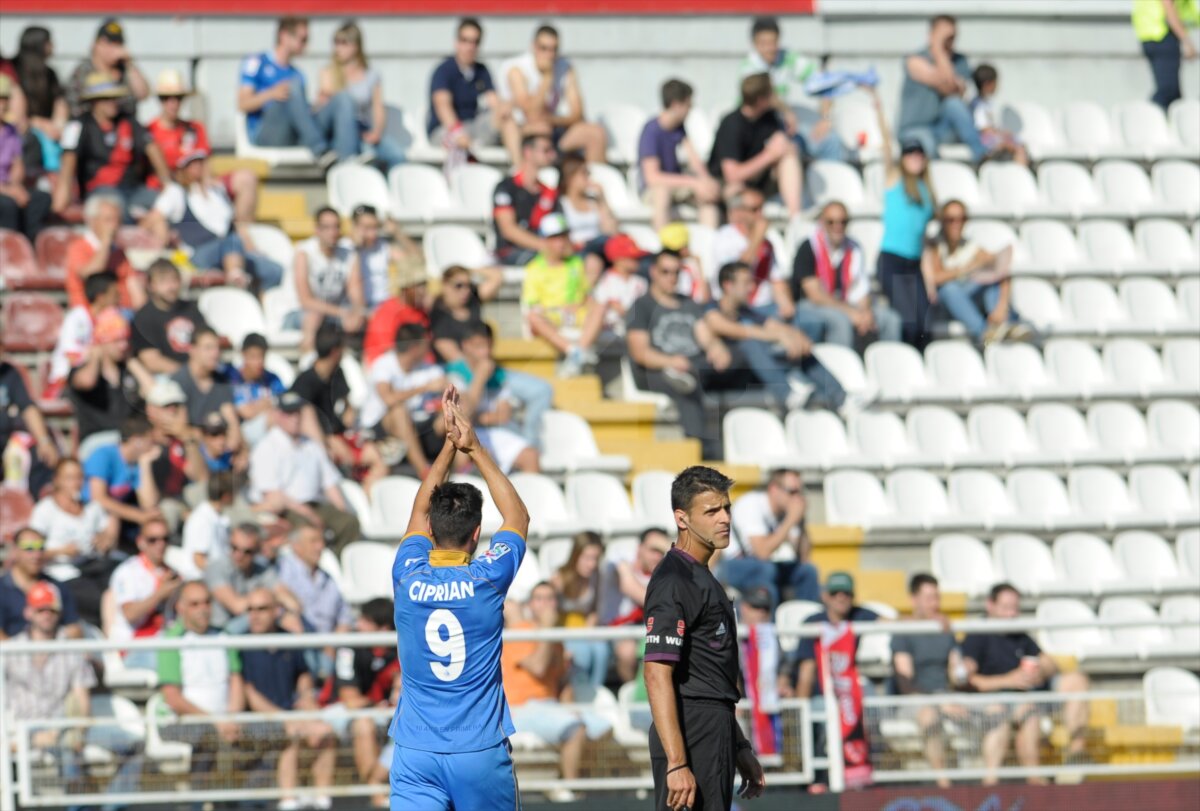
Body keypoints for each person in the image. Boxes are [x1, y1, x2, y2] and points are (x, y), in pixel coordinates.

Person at [387, 385, 531, 811]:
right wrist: (474, 447)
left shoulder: (407, 574)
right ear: (477, 534)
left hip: (415, 752)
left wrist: (448, 449)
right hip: (479, 750)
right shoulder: (488, 579)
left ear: (430, 531)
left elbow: (418, 512)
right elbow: (518, 517)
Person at [643, 466, 765, 811]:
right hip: (691, 730)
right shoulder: (674, 581)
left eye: (726, 508)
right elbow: (656, 673)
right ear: (682, 518)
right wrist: (677, 762)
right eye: (711, 511)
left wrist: (738, 745)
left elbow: (710, 678)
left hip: (713, 726)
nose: (724, 518)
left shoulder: (702, 576)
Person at [3, 580, 144, 806]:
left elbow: (81, 699)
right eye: (40, 609)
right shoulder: (10, 651)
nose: (46, 615)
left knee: (134, 744)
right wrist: (23, 737)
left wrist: (76, 730)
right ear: (28, 612)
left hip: (65, 725)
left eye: (51, 609)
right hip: (23, 728)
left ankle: (112, 806)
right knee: (68, 752)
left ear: (59, 612)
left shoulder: (72, 648)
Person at [962, 582, 1091, 785]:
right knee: (1026, 711)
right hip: (998, 699)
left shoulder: (1018, 634)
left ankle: (1076, 757)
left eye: (1015, 608)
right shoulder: (977, 636)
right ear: (990, 605)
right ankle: (1025, 780)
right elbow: (968, 681)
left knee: (1077, 681)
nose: (1012, 614)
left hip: (1030, 692)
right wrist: (1008, 680)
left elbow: (1049, 663)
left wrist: (1041, 671)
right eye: (1006, 608)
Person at [626, 250, 750, 460]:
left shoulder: (688, 304)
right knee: (686, 385)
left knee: (739, 355)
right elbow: (640, 353)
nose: (672, 277)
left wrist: (716, 348)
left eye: (677, 272)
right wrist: (670, 361)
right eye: (666, 271)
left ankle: (744, 441)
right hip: (656, 370)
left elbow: (705, 336)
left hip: (692, 365)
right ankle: (701, 450)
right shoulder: (642, 306)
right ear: (653, 272)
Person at [501, 581, 613, 804]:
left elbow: (561, 683)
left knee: (603, 728)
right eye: (539, 598)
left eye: (550, 598)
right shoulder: (520, 631)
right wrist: (546, 629)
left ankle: (562, 781)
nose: (545, 604)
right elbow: (539, 667)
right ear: (530, 605)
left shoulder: (555, 637)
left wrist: (571, 709)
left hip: (549, 706)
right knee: (575, 729)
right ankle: (573, 794)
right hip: (521, 708)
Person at [430, 265, 550, 449]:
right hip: (465, 377)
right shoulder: (439, 317)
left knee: (542, 390)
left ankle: (531, 442)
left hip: (490, 373)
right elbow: (456, 359)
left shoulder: (472, 300)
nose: (465, 290)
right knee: (468, 414)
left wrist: (471, 271)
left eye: (468, 285)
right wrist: (481, 373)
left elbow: (497, 276)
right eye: (458, 285)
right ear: (445, 286)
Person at [704, 260, 848, 412]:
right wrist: (780, 337)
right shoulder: (712, 308)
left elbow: (773, 325)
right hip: (721, 373)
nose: (751, 287)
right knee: (750, 343)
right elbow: (735, 330)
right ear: (728, 285)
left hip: (752, 370)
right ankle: (787, 395)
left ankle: (842, 399)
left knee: (799, 349)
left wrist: (796, 336)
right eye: (746, 282)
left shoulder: (745, 311)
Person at [240, 587, 337, 811]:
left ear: (276, 611)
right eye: (250, 609)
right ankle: (289, 801)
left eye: (262, 609)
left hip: (289, 713)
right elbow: (250, 694)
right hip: (255, 719)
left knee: (325, 732)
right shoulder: (242, 644)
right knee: (290, 733)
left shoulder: (288, 639)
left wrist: (306, 698)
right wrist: (285, 718)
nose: (255, 615)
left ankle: (322, 801)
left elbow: (302, 675)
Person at [144, 149, 283, 289]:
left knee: (274, 271)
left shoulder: (217, 191)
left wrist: (251, 248)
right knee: (231, 242)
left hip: (229, 250)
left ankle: (249, 288)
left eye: (200, 162)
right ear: (183, 169)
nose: (198, 167)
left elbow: (233, 227)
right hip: (196, 254)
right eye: (192, 164)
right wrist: (164, 234)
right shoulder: (176, 192)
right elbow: (155, 217)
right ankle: (235, 278)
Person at [157, 581, 248, 783]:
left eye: (207, 602)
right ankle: (199, 797)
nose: (203, 609)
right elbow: (173, 698)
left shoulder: (224, 636)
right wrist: (216, 721)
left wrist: (231, 717)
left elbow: (236, 681)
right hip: (184, 722)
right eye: (194, 604)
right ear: (180, 608)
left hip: (224, 720)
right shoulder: (172, 641)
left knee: (269, 733)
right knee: (208, 736)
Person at [146, 68, 260, 230]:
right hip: (169, 189)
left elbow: (205, 162)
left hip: (200, 185)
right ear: (160, 100)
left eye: (178, 98)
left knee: (247, 178)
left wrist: (206, 182)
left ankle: (241, 234)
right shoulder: (149, 132)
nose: (173, 103)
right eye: (167, 98)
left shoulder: (195, 128)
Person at [248, 392, 361, 555]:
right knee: (307, 532)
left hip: (315, 504)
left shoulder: (311, 445)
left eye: (297, 412)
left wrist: (342, 510)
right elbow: (274, 495)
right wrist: (309, 514)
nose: (294, 418)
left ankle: (344, 562)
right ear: (277, 415)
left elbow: (330, 484)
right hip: (288, 510)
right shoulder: (266, 448)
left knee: (348, 523)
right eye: (289, 413)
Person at [54, 72, 171, 220]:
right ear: (94, 101)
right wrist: (61, 199)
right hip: (99, 191)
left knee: (168, 202)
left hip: (133, 189)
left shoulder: (128, 122)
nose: (113, 102)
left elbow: (152, 147)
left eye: (115, 98)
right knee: (116, 207)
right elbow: (68, 160)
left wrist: (168, 185)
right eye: (106, 99)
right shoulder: (78, 125)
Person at [791, 201, 902, 349]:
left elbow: (861, 291)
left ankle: (886, 361)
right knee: (840, 322)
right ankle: (841, 363)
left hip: (846, 304)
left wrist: (865, 313)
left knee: (891, 319)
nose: (838, 227)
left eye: (843, 222)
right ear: (822, 223)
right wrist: (851, 312)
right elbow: (815, 295)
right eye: (831, 222)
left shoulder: (854, 248)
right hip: (811, 305)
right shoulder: (808, 247)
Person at [890, 573, 965, 789]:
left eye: (937, 597)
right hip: (915, 701)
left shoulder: (945, 630)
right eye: (929, 598)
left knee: (993, 712)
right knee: (929, 716)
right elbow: (906, 685)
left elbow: (957, 675)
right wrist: (940, 704)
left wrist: (963, 671)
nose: (935, 603)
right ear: (914, 600)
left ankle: (989, 783)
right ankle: (944, 784)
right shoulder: (903, 632)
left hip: (945, 696)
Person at [874, 89, 936, 349]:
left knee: (925, 326)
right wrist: (878, 109)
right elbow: (887, 147)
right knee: (910, 323)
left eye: (918, 154)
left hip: (913, 264)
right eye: (910, 154)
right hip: (893, 260)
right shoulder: (896, 180)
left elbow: (924, 241)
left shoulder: (927, 191)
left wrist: (929, 281)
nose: (915, 158)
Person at [740, 16, 847, 163]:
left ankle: (833, 176)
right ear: (754, 44)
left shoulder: (787, 58)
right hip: (760, 125)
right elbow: (766, 97)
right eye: (764, 43)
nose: (769, 48)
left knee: (830, 141)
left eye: (773, 42)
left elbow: (822, 81)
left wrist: (825, 118)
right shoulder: (749, 67)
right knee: (792, 147)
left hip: (787, 124)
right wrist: (787, 112)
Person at [924, 199, 1031, 346]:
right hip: (941, 306)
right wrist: (967, 268)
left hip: (969, 300)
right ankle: (985, 332)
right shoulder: (934, 246)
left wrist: (1001, 306)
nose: (956, 224)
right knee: (950, 289)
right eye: (950, 220)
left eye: (962, 219)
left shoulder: (971, 246)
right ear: (943, 221)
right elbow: (935, 278)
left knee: (991, 283)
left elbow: (1001, 271)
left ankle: (1005, 323)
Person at [237, 16, 339, 167]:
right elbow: (243, 104)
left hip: (290, 134)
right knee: (292, 87)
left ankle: (344, 157)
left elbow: (300, 114)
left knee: (340, 100)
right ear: (284, 36)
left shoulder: (297, 73)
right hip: (263, 133)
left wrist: (318, 106)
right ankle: (321, 150)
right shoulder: (256, 62)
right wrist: (272, 94)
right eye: (302, 39)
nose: (306, 45)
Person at [500, 24, 608, 164]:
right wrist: (547, 78)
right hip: (525, 132)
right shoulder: (517, 69)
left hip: (554, 129)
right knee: (528, 127)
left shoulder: (565, 68)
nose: (549, 55)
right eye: (544, 48)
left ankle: (595, 176)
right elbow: (531, 114)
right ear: (534, 47)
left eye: (554, 49)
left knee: (596, 133)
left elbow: (577, 113)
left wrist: (553, 120)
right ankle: (522, 175)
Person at [446, 322, 541, 474]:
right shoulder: (454, 373)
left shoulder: (498, 374)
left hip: (493, 432)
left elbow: (503, 416)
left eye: (489, 346)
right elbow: (463, 414)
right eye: (479, 346)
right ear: (466, 345)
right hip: (465, 433)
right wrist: (480, 377)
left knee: (531, 456)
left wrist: (477, 417)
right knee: (479, 454)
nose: (486, 352)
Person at [30, 458, 118, 622]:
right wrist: (62, 551)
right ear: (57, 480)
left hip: (93, 565)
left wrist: (104, 539)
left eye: (79, 477)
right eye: (69, 478)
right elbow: (31, 550)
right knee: (100, 600)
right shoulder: (44, 510)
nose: (76, 483)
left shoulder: (92, 507)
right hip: (62, 573)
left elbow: (107, 532)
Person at [327, 598, 399, 792]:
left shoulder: (398, 648)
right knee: (364, 724)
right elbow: (350, 700)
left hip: (384, 711)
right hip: (339, 709)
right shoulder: (349, 646)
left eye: (365, 621)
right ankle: (375, 792)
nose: (358, 625)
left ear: (383, 629)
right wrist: (377, 704)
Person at [721, 468, 819, 609]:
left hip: (765, 566)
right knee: (767, 570)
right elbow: (762, 552)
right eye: (792, 492)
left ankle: (807, 618)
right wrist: (791, 519)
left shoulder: (786, 512)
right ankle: (770, 622)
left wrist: (801, 521)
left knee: (807, 571)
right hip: (733, 566)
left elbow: (803, 557)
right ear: (774, 489)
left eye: (800, 492)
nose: (796, 498)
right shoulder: (751, 504)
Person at [709, 72, 802, 220]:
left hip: (758, 180)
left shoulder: (769, 117)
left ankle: (795, 218)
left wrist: (787, 113)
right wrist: (769, 155)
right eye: (771, 92)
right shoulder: (731, 124)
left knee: (789, 157)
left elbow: (784, 146)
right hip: (728, 185)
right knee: (737, 190)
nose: (775, 96)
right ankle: (740, 228)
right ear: (761, 100)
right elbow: (732, 175)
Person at [522, 212, 605, 376]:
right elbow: (532, 304)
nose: (561, 242)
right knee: (533, 317)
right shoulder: (534, 268)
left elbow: (586, 295)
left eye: (563, 237)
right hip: (552, 316)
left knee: (600, 307)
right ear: (545, 240)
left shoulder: (576, 263)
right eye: (555, 238)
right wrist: (558, 309)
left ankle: (578, 352)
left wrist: (581, 305)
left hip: (576, 314)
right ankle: (575, 351)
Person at [360, 322, 447, 477]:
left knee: (451, 414)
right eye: (426, 343)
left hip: (417, 425)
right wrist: (425, 388)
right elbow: (388, 399)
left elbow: (452, 390)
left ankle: (461, 469)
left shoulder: (429, 368)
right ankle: (425, 472)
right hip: (380, 428)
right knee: (399, 410)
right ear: (414, 348)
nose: (430, 347)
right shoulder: (384, 364)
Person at [316, 21, 405, 170]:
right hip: (337, 133)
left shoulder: (371, 75)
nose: (338, 48)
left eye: (343, 43)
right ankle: (350, 166)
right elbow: (323, 106)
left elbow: (378, 108)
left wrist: (376, 132)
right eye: (336, 43)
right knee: (345, 101)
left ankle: (395, 183)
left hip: (362, 130)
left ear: (356, 46)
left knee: (396, 154)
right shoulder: (328, 72)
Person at [897, 14, 986, 163]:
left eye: (951, 37)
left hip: (943, 129)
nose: (949, 41)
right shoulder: (914, 59)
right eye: (944, 36)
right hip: (915, 129)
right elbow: (944, 82)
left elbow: (953, 90)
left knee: (954, 104)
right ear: (931, 35)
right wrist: (938, 47)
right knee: (928, 143)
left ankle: (982, 157)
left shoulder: (960, 61)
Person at [780, 571, 879, 699]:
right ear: (825, 596)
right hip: (818, 695)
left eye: (846, 593)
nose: (841, 598)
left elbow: (890, 622)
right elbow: (807, 670)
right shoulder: (813, 623)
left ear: (853, 596)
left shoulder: (859, 614)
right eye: (834, 593)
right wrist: (803, 706)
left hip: (847, 692)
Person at [639, 78, 721, 230]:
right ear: (676, 105)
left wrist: (706, 182)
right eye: (688, 105)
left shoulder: (679, 128)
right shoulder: (651, 131)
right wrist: (693, 182)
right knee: (662, 193)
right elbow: (652, 177)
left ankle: (709, 240)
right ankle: (664, 242)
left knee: (707, 197)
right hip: (654, 190)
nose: (691, 109)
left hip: (677, 186)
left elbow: (694, 160)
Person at [67, 308, 152, 446]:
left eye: (126, 340)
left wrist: (131, 360)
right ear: (103, 341)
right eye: (117, 341)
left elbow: (152, 391)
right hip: (98, 440)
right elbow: (87, 382)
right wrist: (95, 357)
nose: (123, 346)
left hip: (129, 441)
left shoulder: (127, 370)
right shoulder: (82, 370)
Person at [277, 525, 353, 679]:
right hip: (297, 648)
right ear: (296, 546)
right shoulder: (281, 570)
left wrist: (332, 645)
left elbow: (345, 617)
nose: (320, 547)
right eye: (313, 541)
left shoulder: (328, 578)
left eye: (321, 541)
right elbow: (276, 604)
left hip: (328, 649)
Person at [598, 527, 671, 683]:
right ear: (640, 548)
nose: (657, 556)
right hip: (616, 628)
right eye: (653, 550)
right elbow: (629, 587)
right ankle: (632, 692)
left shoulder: (666, 570)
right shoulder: (620, 558)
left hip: (648, 629)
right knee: (628, 651)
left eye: (662, 552)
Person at [711, 188, 795, 323]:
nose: (760, 215)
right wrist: (758, 237)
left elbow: (776, 280)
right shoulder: (725, 236)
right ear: (739, 212)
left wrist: (786, 304)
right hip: (739, 308)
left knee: (808, 320)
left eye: (762, 209)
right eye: (754, 209)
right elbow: (734, 273)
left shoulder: (766, 243)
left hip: (767, 306)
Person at [428, 18, 507, 158]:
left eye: (474, 42)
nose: (470, 47)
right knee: (458, 143)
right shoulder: (444, 70)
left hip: (473, 127)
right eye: (465, 40)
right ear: (456, 42)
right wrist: (458, 132)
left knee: (506, 120)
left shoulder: (482, 71)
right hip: (445, 129)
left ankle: (519, 166)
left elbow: (495, 104)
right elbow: (443, 106)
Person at [108, 518, 181, 669]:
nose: (160, 544)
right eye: (153, 540)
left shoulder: (173, 572)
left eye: (165, 539)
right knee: (173, 661)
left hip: (165, 639)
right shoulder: (128, 572)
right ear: (141, 542)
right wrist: (160, 594)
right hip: (135, 646)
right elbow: (130, 614)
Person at [293, 206, 366, 352]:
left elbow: (356, 293)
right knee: (314, 317)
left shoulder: (349, 255)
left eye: (336, 226)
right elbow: (305, 301)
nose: (332, 232)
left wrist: (357, 313)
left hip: (333, 312)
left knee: (362, 320)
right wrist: (342, 313)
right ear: (317, 230)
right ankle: (308, 360)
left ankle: (350, 360)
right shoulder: (304, 252)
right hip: (298, 312)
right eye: (327, 227)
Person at [82, 415, 160, 551]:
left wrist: (145, 463)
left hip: (117, 515)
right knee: (113, 518)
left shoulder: (136, 464)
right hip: (88, 511)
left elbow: (149, 504)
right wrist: (138, 516)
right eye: (151, 440)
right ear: (136, 440)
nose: (154, 445)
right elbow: (98, 498)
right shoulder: (103, 455)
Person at [206, 522, 300, 632]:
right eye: (234, 548)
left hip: (251, 631)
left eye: (247, 552)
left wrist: (287, 614)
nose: (239, 555)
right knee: (266, 616)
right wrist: (271, 602)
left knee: (290, 622)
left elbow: (293, 603)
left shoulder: (262, 569)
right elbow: (237, 607)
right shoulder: (216, 568)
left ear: (257, 551)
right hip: (220, 632)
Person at [0, 337, 60, 495]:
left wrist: (44, 441)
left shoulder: (9, 373)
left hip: (7, 443)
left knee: (41, 456)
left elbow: (28, 407)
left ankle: (36, 503)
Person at [64, 192, 144, 312]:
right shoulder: (78, 247)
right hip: (91, 314)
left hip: (122, 313)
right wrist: (106, 242)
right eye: (108, 220)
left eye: (118, 220)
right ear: (92, 221)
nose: (114, 226)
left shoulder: (119, 252)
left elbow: (134, 288)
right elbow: (91, 275)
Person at [46, 271, 120, 399]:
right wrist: (96, 352)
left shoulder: (113, 320)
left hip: (98, 380)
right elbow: (70, 355)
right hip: (68, 383)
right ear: (101, 297)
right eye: (115, 294)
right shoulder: (77, 317)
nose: (119, 298)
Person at [550, 532, 609, 693]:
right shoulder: (559, 578)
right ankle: (579, 692)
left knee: (602, 651)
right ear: (576, 555)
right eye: (587, 558)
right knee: (582, 653)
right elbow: (550, 613)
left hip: (584, 629)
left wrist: (588, 631)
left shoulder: (596, 577)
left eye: (595, 559)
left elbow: (594, 611)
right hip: (563, 631)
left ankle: (596, 691)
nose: (592, 564)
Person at [131, 258, 211, 375]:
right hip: (165, 377)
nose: (171, 287)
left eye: (174, 280)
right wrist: (188, 375)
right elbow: (151, 361)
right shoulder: (143, 317)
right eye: (163, 281)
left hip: (199, 372)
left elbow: (207, 342)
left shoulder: (191, 308)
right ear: (151, 285)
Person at [0, 527, 83, 639]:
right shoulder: (2, 588)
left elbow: (74, 629)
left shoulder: (57, 587)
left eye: (41, 548)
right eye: (29, 548)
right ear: (15, 551)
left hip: (54, 648)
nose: (37, 555)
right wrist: (24, 649)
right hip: (13, 648)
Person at [492, 132, 559, 267]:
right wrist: (546, 246)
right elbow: (508, 230)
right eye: (546, 150)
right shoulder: (506, 187)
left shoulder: (547, 192)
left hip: (540, 250)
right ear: (528, 152)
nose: (552, 155)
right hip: (509, 252)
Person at [0, 75, 51, 241]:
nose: (3, 104)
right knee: (7, 205)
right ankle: (8, 249)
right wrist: (8, 191)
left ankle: (29, 245)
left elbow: (17, 164)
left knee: (40, 199)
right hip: (3, 191)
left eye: (5, 99)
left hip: (7, 188)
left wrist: (15, 186)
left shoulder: (11, 131)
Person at [65, 19, 148, 118]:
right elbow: (73, 104)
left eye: (118, 44)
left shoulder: (125, 69)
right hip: (92, 125)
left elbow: (143, 94)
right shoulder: (83, 70)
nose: (114, 49)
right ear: (96, 45)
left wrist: (129, 63)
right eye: (109, 43)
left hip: (124, 124)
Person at [347, 204, 422, 311]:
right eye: (367, 228)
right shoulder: (345, 249)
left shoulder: (382, 246)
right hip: (359, 309)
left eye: (375, 227)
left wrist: (397, 232)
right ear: (355, 227)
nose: (373, 234)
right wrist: (357, 249)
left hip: (385, 307)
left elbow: (416, 259)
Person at [362, 256, 432, 367]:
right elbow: (388, 353)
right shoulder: (388, 312)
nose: (423, 291)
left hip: (417, 366)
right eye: (418, 285)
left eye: (424, 285)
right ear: (406, 288)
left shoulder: (420, 311)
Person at [557, 153, 618, 280]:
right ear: (570, 177)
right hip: (578, 250)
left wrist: (602, 199)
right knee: (593, 262)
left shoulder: (594, 201)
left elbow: (612, 231)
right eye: (584, 173)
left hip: (600, 245)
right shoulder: (561, 204)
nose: (589, 178)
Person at [12, 26, 69, 159]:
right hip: (21, 132)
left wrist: (58, 126)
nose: (53, 46)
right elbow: (15, 117)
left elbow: (60, 102)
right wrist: (39, 123)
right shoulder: (13, 70)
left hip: (48, 135)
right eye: (49, 42)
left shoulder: (50, 74)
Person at [1135, 0, 1199, 111]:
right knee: (1168, 91)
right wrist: (1186, 41)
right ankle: (1146, 116)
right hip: (1162, 35)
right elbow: (1168, 8)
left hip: (1149, 34)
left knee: (1173, 94)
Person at [226, 333, 287, 445]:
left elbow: (285, 404)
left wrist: (257, 406)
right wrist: (268, 403)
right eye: (253, 357)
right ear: (243, 355)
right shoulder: (234, 379)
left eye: (262, 356)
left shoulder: (273, 379)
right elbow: (247, 413)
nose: (259, 362)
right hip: (243, 433)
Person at [968, 65, 1029, 166]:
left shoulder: (986, 103)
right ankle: (1020, 170)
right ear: (988, 84)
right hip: (985, 141)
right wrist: (1001, 135)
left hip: (990, 137)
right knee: (1018, 149)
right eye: (996, 82)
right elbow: (984, 130)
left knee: (1018, 142)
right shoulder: (979, 106)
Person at [180, 471, 234, 580]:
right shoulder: (203, 519)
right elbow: (198, 559)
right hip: (202, 581)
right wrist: (222, 579)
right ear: (226, 496)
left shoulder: (215, 517)